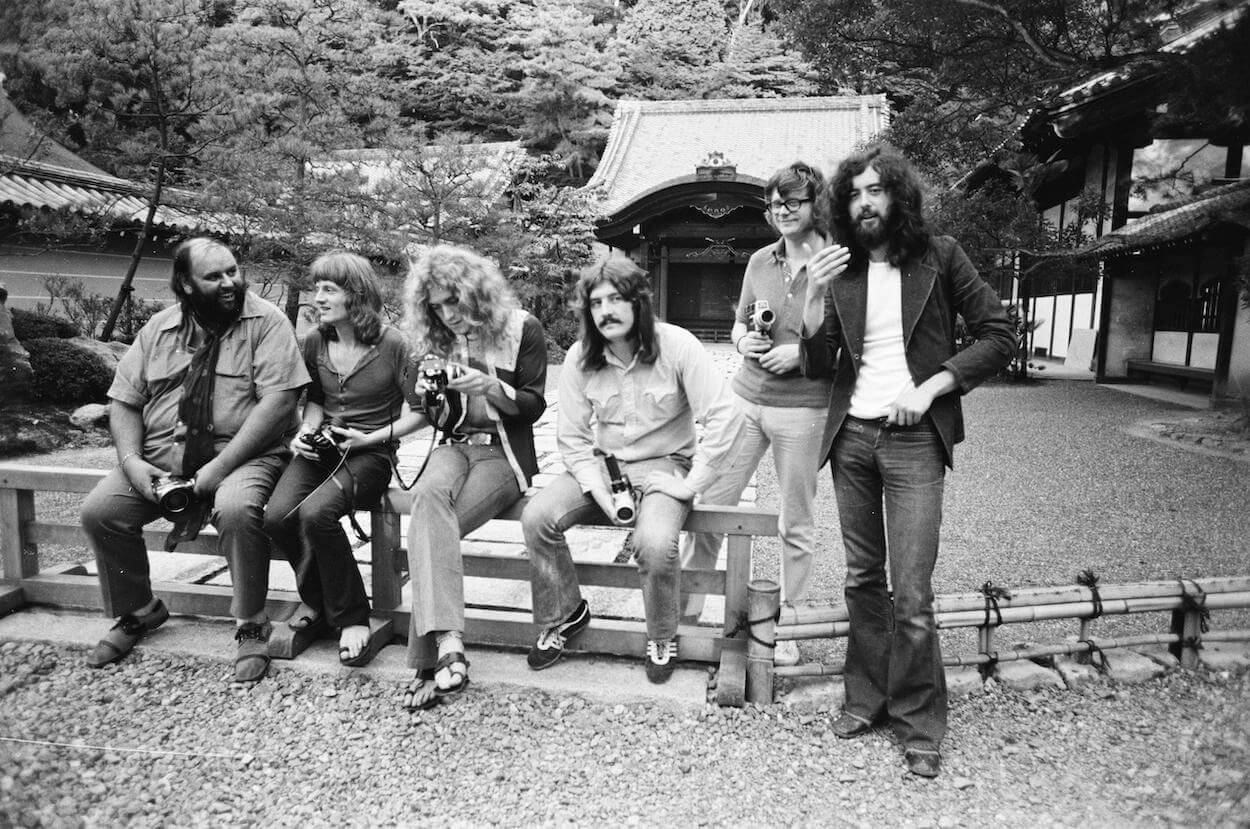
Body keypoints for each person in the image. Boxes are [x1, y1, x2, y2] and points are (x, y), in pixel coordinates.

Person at [800, 144, 1016, 777]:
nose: (865, 202)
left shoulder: (939, 256)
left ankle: (920, 722)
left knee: (913, 590)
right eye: (854, 194)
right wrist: (812, 300)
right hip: (852, 441)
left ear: (898, 197)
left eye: (876, 190)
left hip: (916, 440)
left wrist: (929, 389)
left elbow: (998, 335)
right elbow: (818, 367)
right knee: (863, 580)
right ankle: (867, 698)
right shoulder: (840, 269)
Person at [81, 237, 309, 685]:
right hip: (163, 457)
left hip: (246, 455)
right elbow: (124, 401)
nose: (230, 282)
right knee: (101, 512)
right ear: (185, 284)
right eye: (214, 276)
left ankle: (250, 622)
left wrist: (217, 470)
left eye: (233, 271)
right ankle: (139, 610)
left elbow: (279, 405)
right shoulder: (159, 329)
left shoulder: (267, 322)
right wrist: (131, 462)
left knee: (238, 508)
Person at [522, 258, 742, 684]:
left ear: (638, 302)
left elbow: (724, 417)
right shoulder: (579, 358)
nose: (606, 310)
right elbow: (571, 439)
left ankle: (661, 634)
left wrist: (692, 483)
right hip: (605, 465)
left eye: (616, 299)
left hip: (666, 464)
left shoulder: (676, 345)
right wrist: (599, 493)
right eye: (596, 302)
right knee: (538, 517)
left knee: (656, 542)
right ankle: (566, 614)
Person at [680, 162, 833, 667]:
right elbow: (739, 323)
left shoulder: (837, 263)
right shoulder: (759, 261)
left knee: (796, 519)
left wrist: (803, 354)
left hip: (804, 406)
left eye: (793, 201)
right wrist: (744, 339)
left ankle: (788, 625)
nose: (782, 211)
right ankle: (684, 617)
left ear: (816, 204)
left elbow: (847, 342)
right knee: (709, 505)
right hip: (745, 397)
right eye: (774, 203)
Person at [398, 244, 548, 711]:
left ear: (476, 293)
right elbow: (424, 409)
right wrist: (426, 390)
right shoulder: (436, 337)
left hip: (504, 455)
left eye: (453, 302)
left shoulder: (523, 328)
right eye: (437, 307)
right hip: (453, 446)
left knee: (429, 534)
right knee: (427, 500)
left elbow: (534, 405)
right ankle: (450, 648)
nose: (447, 315)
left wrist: (492, 386)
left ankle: (427, 663)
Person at [264, 251, 425, 667]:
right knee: (276, 516)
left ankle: (353, 617)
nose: (317, 297)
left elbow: (419, 413)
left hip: (371, 454)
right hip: (325, 446)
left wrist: (369, 438)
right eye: (316, 288)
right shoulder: (315, 340)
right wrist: (304, 432)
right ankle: (319, 605)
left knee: (316, 514)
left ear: (355, 295)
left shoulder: (393, 345)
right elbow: (314, 401)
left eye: (328, 289)